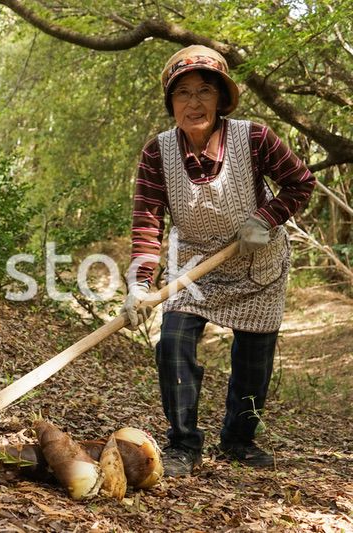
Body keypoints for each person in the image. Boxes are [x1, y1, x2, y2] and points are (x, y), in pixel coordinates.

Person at [122, 45, 316, 477]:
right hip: (193, 269)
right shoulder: (157, 154)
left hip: (257, 266)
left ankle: (238, 441)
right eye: (183, 93)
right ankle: (183, 444)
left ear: (221, 98)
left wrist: (265, 218)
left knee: (253, 363)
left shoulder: (255, 138)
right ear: (171, 102)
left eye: (204, 91)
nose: (194, 103)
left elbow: (300, 183)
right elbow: (147, 226)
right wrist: (139, 285)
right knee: (173, 342)